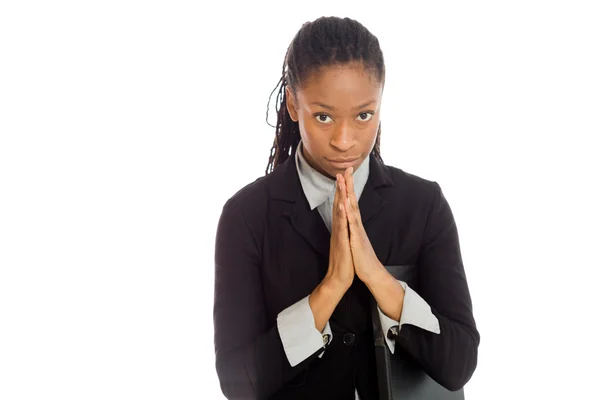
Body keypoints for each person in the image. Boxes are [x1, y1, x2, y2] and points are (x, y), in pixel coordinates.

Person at [213, 16, 479, 400]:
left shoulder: (423, 205)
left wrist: (379, 280)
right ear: (292, 103)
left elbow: (459, 364)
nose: (344, 140)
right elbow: (238, 383)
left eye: (363, 115)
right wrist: (331, 287)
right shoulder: (248, 216)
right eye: (323, 116)